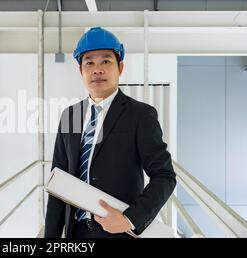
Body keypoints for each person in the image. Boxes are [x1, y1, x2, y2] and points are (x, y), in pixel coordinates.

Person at [44, 27, 176, 238]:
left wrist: (129, 219)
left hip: (117, 232)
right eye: (89, 63)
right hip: (75, 233)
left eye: (106, 61)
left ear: (120, 67)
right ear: (81, 71)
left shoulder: (140, 115)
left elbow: (164, 176)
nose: (97, 69)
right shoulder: (71, 116)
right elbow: (59, 181)